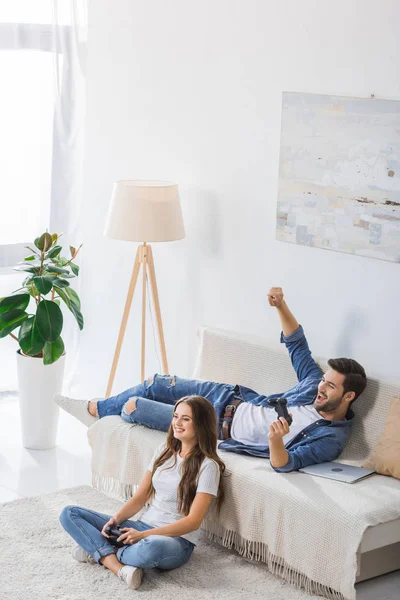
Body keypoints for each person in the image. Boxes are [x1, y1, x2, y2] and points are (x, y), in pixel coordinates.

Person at [56, 287, 367, 473]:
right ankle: (95, 409)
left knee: (135, 407)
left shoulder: (331, 440)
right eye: (324, 381)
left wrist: (275, 440)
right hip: (226, 397)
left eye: (330, 386)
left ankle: (100, 412)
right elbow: (297, 344)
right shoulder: (313, 385)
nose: (321, 389)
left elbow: (285, 464)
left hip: (214, 426)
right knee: (155, 383)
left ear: (349, 396)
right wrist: (280, 305)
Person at [60, 395, 225, 590]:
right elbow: (140, 497)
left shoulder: (208, 466)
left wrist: (143, 535)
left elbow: (193, 522)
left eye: (185, 419)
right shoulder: (164, 450)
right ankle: (117, 565)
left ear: (201, 424)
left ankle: (101, 552)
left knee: (151, 548)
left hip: (175, 540)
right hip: (140, 526)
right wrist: (116, 520)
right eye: (175, 416)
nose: (177, 423)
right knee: (69, 513)